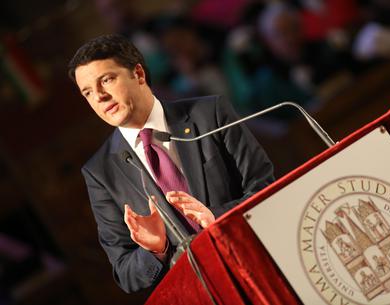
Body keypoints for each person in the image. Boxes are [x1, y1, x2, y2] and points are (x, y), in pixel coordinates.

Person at [67, 34, 274, 293]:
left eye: (107, 80)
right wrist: (155, 250)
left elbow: (267, 189)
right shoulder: (100, 172)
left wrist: (216, 218)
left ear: (139, 74)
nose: (99, 96)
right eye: (87, 92)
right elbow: (126, 275)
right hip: (202, 293)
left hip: (260, 264)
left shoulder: (209, 114)